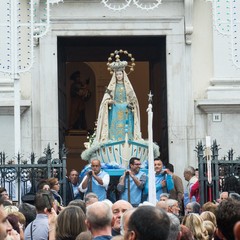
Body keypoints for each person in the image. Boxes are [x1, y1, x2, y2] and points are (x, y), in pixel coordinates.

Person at [95, 52, 141, 143]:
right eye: (117, 74)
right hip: (115, 110)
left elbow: (133, 100)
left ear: (123, 74)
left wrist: (131, 103)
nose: (119, 76)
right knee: (114, 128)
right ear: (115, 75)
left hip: (126, 110)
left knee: (126, 129)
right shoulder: (111, 87)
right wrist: (109, 101)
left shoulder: (128, 87)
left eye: (120, 74)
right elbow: (105, 100)